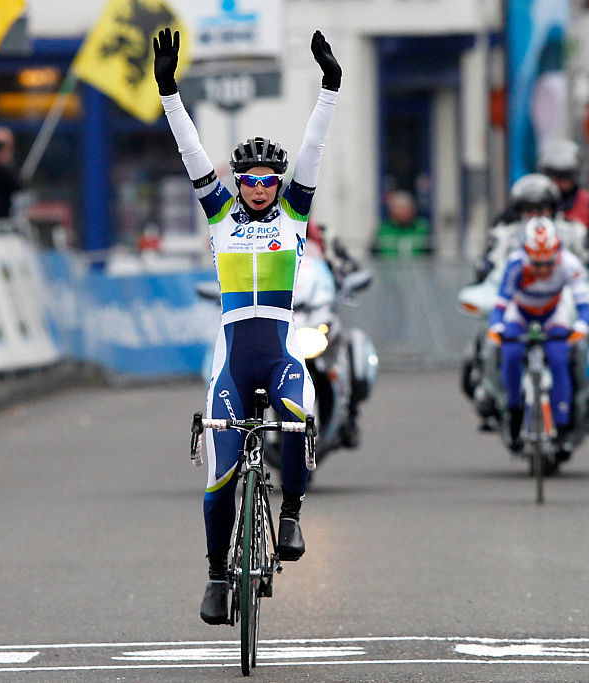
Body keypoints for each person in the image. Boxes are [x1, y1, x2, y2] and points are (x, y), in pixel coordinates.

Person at [153, 26, 341, 625]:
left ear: (279, 186)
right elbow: (191, 153)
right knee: (220, 479)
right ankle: (215, 577)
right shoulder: (218, 214)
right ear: (237, 185)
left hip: (282, 353)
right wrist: (168, 91)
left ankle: (290, 517)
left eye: (268, 180)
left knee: (299, 419)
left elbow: (313, 147)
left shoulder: (294, 213)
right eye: (249, 180)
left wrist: (330, 87)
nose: (259, 188)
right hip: (233, 361)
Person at [487, 216, 589, 461]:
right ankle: (513, 412)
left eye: (548, 263)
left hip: (554, 313)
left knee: (558, 359)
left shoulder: (569, 263)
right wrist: (495, 328)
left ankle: (563, 426)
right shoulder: (514, 265)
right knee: (511, 356)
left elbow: (584, 306)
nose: (543, 270)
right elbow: (500, 305)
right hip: (521, 314)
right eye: (537, 264)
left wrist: (581, 327)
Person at [538, 139, 589, 405]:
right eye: (554, 176)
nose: (559, 184)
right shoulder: (528, 202)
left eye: (565, 177)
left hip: (578, 287)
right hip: (534, 288)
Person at [370, 190, 431, 257]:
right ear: (392, 210)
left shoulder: (422, 227)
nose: (401, 212)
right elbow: (373, 253)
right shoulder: (382, 229)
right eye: (398, 208)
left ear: (412, 209)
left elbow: (430, 253)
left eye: (405, 208)